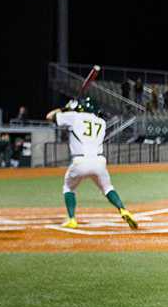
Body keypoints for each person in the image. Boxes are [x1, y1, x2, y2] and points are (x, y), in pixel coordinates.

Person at [46, 98, 138, 229]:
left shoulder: (74, 116)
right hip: (99, 162)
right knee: (108, 188)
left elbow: (49, 116)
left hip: (80, 161)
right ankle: (123, 210)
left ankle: (72, 219)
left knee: (68, 188)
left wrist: (65, 108)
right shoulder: (101, 122)